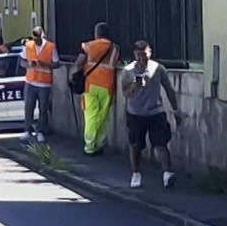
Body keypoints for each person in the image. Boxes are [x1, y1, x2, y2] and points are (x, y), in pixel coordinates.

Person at [122, 40, 183, 188]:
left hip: (156, 111)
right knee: (136, 145)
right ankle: (136, 173)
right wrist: (134, 86)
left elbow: (169, 89)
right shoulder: (128, 70)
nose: (142, 58)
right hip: (136, 113)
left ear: (150, 53)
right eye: (139, 55)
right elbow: (125, 93)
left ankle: (167, 173)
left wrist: (175, 110)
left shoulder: (158, 68)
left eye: (145, 55)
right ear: (135, 55)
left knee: (161, 143)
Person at [71, 22, 120, 156]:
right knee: (103, 117)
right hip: (108, 85)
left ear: (96, 33)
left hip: (91, 84)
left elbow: (79, 63)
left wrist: (75, 74)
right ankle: (99, 144)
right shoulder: (115, 48)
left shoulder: (89, 46)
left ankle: (90, 146)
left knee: (91, 115)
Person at [19, 26, 57, 143]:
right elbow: (22, 61)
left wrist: (44, 64)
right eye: (34, 39)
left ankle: (40, 131)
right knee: (28, 107)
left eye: (38, 39)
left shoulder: (50, 47)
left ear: (42, 36)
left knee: (43, 108)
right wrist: (29, 64)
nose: (36, 42)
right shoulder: (28, 45)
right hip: (30, 81)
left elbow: (56, 64)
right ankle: (28, 130)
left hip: (44, 83)